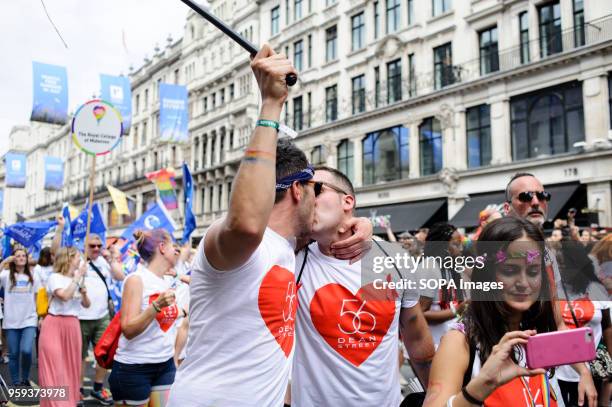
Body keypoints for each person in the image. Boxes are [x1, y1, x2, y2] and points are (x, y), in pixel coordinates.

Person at [168, 45, 370, 407]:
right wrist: (271, 106)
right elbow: (247, 224)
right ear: (297, 189)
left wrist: (362, 225)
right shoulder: (234, 242)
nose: (320, 197)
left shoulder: (294, 249)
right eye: (317, 188)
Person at [291, 166, 435, 406]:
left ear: (347, 201)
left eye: (314, 189)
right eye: (300, 192)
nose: (306, 199)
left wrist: (439, 397)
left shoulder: (395, 258)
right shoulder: (293, 257)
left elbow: (418, 341)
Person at [423, 217, 597, 407]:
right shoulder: (459, 342)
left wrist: (585, 373)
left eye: (532, 272)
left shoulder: (536, 331)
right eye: (510, 270)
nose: (523, 283)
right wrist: (480, 388)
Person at [109, 229, 185, 407]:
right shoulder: (136, 279)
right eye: (173, 245)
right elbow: (128, 329)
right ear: (162, 248)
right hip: (134, 369)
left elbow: (169, 319)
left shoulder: (166, 281)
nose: (177, 250)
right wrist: (156, 306)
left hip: (165, 365)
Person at [39, 246, 91, 407]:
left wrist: (83, 292)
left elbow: (87, 304)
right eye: (77, 257)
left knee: (70, 367)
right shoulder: (54, 277)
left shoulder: (78, 278)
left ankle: (68, 403)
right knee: (53, 368)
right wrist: (78, 277)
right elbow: (64, 296)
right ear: (68, 259)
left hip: (73, 325)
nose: (80, 261)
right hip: (54, 324)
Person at [76, 233, 124, 405]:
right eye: (92, 246)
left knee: (104, 355)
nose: (96, 249)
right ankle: (78, 390)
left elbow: (120, 276)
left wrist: (111, 258)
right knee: (80, 357)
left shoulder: (103, 262)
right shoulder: (78, 262)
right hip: (80, 317)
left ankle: (97, 388)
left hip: (102, 316)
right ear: (84, 246)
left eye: (99, 245)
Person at [420, 223, 467, 348]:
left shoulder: (452, 267)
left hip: (452, 343)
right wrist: (458, 310)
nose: (461, 248)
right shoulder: (429, 266)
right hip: (433, 347)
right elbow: (420, 313)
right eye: (456, 244)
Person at [0, 247, 40, 385]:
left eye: (24, 256)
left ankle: (25, 377)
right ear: (13, 259)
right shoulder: (5, 275)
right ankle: (17, 382)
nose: (21, 258)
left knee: (27, 350)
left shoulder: (34, 275)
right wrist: (4, 261)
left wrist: (39, 315)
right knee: (14, 354)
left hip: (29, 319)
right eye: (18, 256)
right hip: (11, 321)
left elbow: (37, 297)